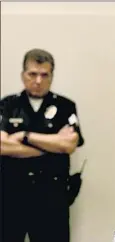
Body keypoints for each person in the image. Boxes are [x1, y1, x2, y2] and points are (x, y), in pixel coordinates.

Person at [0, 48, 85, 242]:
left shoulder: (65, 106)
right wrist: (51, 145)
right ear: (23, 75)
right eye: (33, 74)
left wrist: (25, 136)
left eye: (44, 75)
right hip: (11, 196)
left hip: (51, 197)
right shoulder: (8, 104)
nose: (38, 81)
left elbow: (69, 145)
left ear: (51, 77)